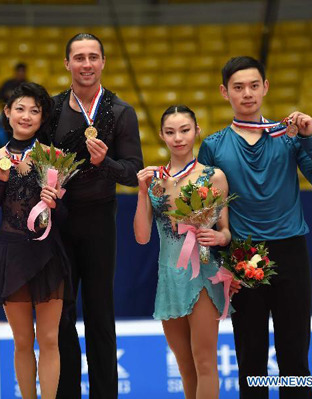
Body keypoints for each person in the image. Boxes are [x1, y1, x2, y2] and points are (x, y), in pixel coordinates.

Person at [198, 56, 312, 398]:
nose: (247, 93)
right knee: (251, 359)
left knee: (295, 357)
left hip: (290, 250)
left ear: (265, 88)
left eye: (254, 85)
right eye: (238, 87)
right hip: (242, 254)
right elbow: (204, 211)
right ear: (224, 92)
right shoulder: (213, 146)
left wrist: (310, 137)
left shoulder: (290, 137)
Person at [38, 33, 143, 398]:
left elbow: (134, 172)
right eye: (79, 57)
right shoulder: (49, 110)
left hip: (100, 221)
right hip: (60, 223)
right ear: (67, 63)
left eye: (93, 57)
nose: (86, 64)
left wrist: (105, 162)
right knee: (61, 316)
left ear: (102, 63)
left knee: (100, 316)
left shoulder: (120, 111)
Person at [134, 105, 238, 399]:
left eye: (184, 130)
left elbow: (226, 230)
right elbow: (142, 237)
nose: (178, 138)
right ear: (161, 135)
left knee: (205, 362)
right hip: (169, 277)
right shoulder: (153, 182)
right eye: (170, 132)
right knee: (185, 367)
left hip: (203, 273)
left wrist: (219, 236)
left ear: (197, 131)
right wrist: (142, 192)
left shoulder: (213, 176)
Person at [0, 82, 71, 399]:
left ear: (42, 116)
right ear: (7, 113)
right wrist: (2, 183)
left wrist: (56, 201)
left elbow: (67, 218)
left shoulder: (54, 157)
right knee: (21, 340)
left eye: (34, 110)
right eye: (20, 108)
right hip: (13, 253)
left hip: (48, 254)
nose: (26, 116)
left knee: (48, 338)